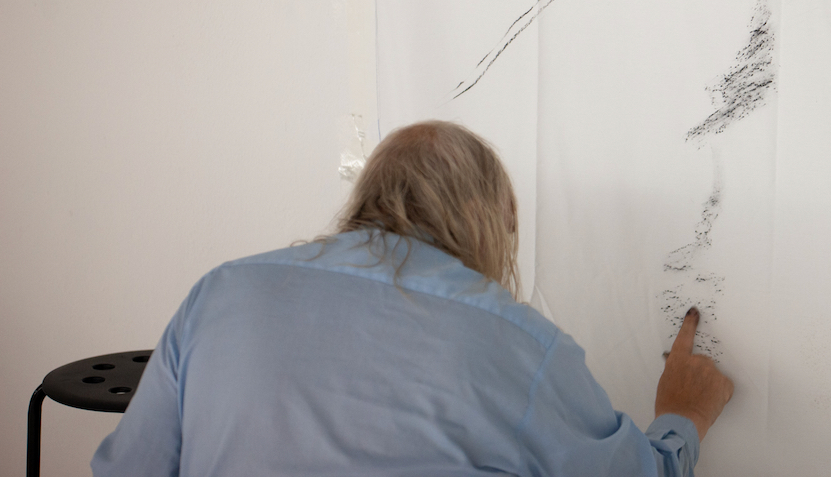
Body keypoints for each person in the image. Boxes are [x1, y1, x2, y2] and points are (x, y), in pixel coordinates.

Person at [91, 120, 733, 476]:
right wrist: (683, 415)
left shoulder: (221, 293)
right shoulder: (521, 346)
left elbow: (128, 471)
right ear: (496, 219)